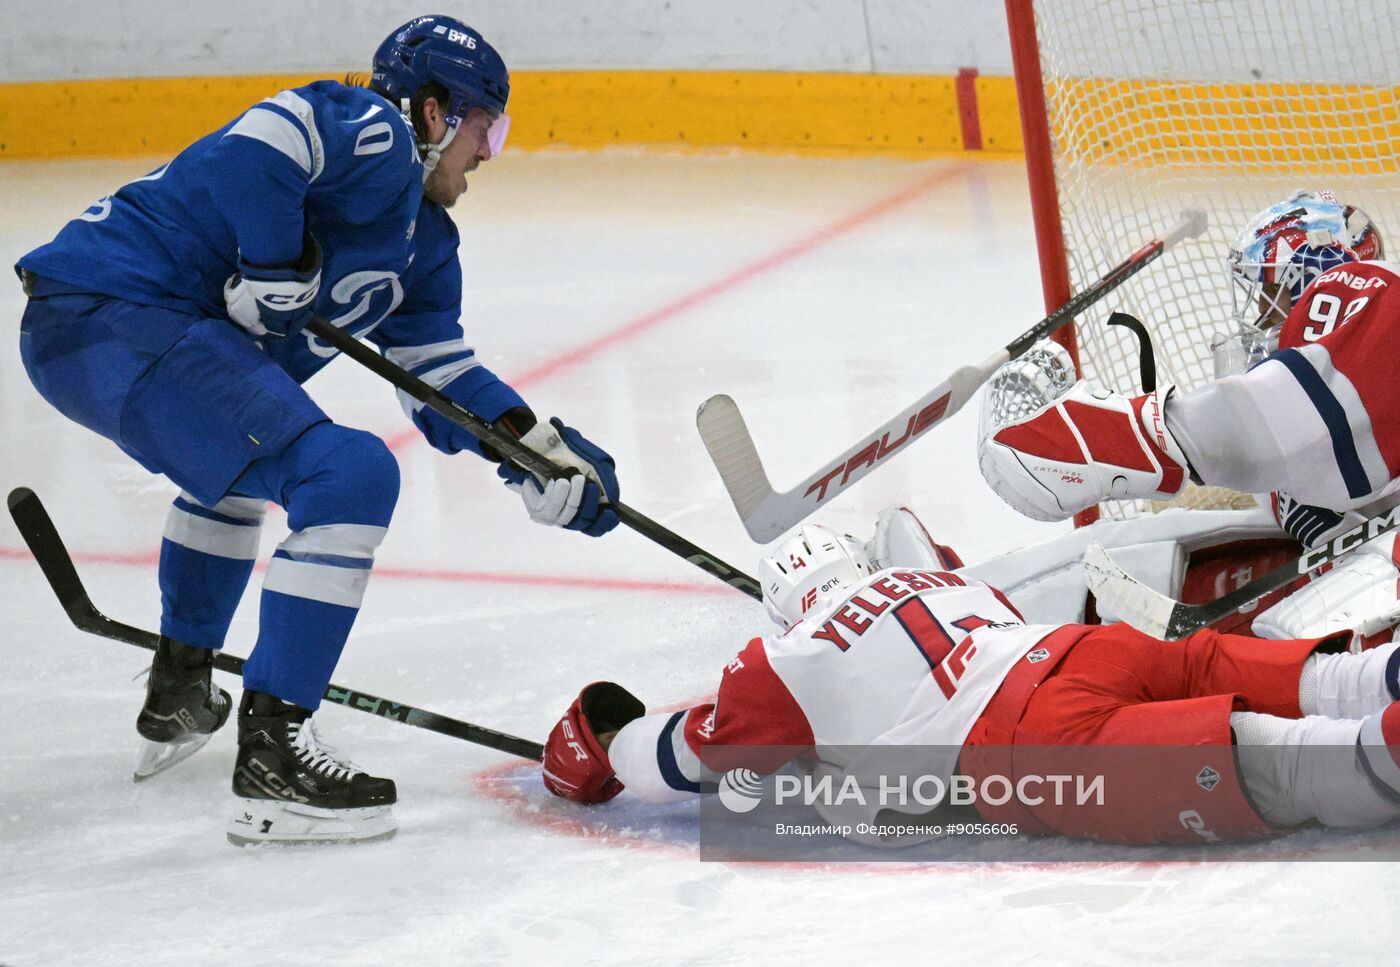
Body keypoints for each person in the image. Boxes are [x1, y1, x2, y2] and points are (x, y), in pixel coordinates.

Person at [15, 16, 621, 846]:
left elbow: (437, 376)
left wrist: (530, 450)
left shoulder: (425, 243)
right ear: (437, 114)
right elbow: (255, 144)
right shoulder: (372, 131)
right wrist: (272, 265)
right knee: (348, 473)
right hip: (115, 312)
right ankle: (274, 754)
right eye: (489, 128)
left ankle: (181, 686)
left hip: (104, 330)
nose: (487, 154)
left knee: (244, 466)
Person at [539, 514, 1400, 848]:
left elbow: (691, 759)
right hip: (1086, 647)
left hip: (1029, 741)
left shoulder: (786, 657)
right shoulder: (948, 582)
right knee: (1202, 664)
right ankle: (1378, 678)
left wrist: (598, 744)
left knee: (1263, 757)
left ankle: (1379, 756)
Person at [977, 189, 1393, 548]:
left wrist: (1105, 434)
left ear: (1325, 288)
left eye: (1272, 293)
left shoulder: (1383, 309)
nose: (1260, 319)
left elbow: (1257, 429)